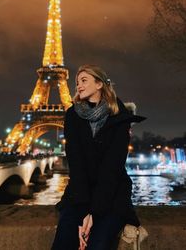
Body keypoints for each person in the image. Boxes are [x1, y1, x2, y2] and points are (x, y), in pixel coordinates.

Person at [51, 64, 146, 250]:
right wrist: (83, 212)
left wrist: (93, 213)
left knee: (98, 244)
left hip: (111, 196)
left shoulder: (120, 117)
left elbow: (112, 169)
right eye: (77, 82)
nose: (78, 85)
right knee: (63, 241)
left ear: (99, 84)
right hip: (80, 194)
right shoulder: (72, 115)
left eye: (84, 80)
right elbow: (76, 166)